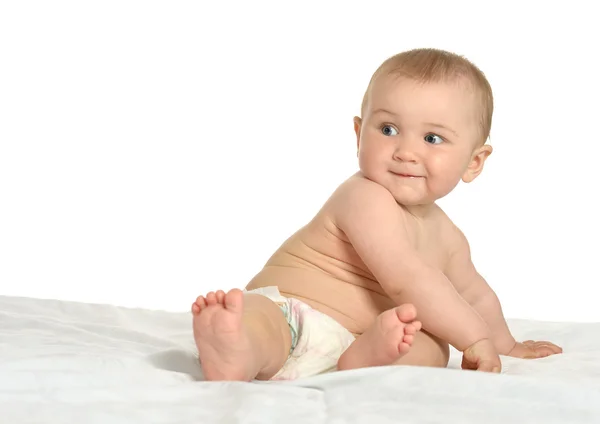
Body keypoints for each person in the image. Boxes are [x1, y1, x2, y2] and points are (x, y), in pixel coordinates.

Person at [191, 48, 563, 381]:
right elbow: (407, 279)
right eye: (388, 129)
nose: (405, 151)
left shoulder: (448, 237)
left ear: (474, 162)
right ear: (358, 134)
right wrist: (475, 337)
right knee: (262, 321)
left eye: (432, 138)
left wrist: (503, 344)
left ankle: (364, 361)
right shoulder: (364, 197)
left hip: (356, 341)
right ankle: (238, 347)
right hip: (294, 316)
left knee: (435, 347)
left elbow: (475, 296)